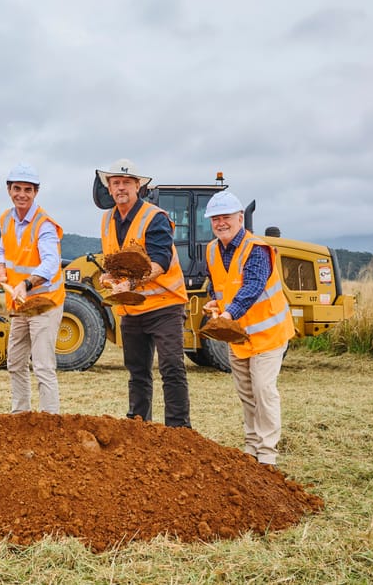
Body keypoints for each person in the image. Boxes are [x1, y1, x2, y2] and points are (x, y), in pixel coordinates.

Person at [96, 158, 191, 428]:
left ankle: (179, 430)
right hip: (131, 309)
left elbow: (160, 262)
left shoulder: (154, 217)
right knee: (137, 371)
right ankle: (139, 427)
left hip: (164, 305)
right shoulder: (107, 220)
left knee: (172, 367)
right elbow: (115, 261)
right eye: (116, 183)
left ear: (138, 186)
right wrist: (108, 277)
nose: (121, 188)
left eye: (126, 182)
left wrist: (132, 285)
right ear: (109, 188)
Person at [202, 190, 295, 467]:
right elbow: (218, 284)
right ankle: (252, 446)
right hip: (239, 335)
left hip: (268, 334)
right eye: (215, 218)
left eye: (226, 217)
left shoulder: (256, 249)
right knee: (246, 392)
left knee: (263, 389)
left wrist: (228, 313)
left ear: (240, 218)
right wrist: (216, 304)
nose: (221, 223)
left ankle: (267, 453)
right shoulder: (211, 249)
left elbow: (252, 286)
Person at [0, 162, 63, 414]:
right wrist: (0, 270)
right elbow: (3, 251)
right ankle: (20, 416)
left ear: (35, 192)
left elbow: (51, 263)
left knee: (42, 365)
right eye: (17, 188)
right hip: (20, 304)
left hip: (44, 303)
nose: (22, 194)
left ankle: (50, 421)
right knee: (15, 362)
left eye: (27, 189)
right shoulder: (6, 219)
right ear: (9, 190)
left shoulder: (45, 224)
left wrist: (26, 283)